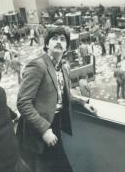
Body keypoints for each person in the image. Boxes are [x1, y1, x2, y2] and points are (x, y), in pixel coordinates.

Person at [16, 26, 96, 172]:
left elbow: (65, 97)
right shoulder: (38, 65)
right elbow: (23, 103)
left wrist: (83, 103)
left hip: (55, 125)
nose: (59, 42)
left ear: (66, 47)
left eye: (62, 39)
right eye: (54, 39)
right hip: (37, 130)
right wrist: (44, 130)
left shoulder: (63, 68)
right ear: (47, 44)